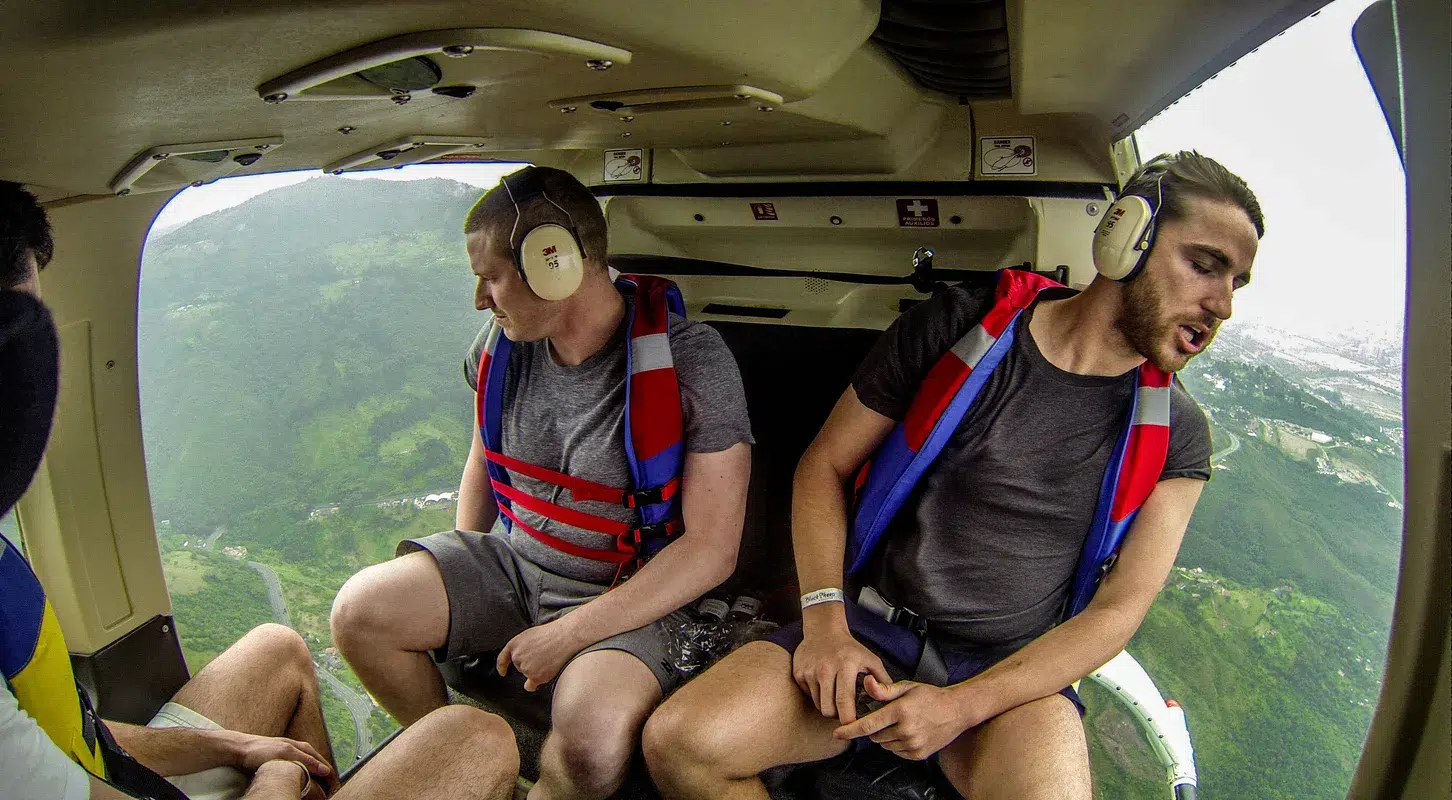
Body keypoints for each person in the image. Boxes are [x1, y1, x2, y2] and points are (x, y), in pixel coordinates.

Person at [643, 151, 1264, 800]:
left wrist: (962, 707)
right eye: (1204, 265)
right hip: (871, 630)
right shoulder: (959, 327)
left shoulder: (1178, 433)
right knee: (682, 746)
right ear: (1125, 238)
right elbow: (823, 466)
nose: (1221, 304)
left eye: (1236, 283)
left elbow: (1118, 610)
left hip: (1008, 680)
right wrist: (825, 624)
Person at [0, 180, 521, 800]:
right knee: (474, 738)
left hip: (106, 771)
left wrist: (235, 745)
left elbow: (70, 734)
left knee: (277, 649)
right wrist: (274, 781)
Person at [330, 166, 754, 800]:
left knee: (589, 734)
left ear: (554, 263)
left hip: (632, 592)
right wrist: (459, 573)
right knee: (361, 613)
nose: (480, 299)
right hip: (512, 562)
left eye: (491, 277)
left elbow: (713, 548)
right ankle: (472, 768)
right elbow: (486, 455)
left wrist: (568, 634)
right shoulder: (501, 345)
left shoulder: (693, 363)